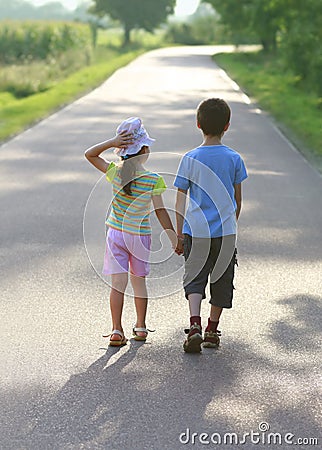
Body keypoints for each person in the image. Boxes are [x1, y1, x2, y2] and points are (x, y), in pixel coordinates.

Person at [85, 117, 177, 346]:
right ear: (144, 150)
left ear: (122, 151)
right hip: (140, 237)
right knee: (139, 283)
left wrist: (112, 142)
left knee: (118, 285)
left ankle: (116, 330)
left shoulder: (115, 172)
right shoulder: (153, 179)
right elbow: (160, 212)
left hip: (116, 235)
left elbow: (90, 154)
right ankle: (141, 327)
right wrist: (173, 236)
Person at [174, 98, 248, 353]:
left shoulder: (190, 158)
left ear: (198, 124)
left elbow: (180, 198)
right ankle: (212, 330)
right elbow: (238, 199)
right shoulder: (234, 158)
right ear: (227, 126)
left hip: (196, 231)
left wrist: (179, 233)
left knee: (195, 278)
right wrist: (230, 225)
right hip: (225, 233)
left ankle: (194, 324)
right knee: (222, 279)